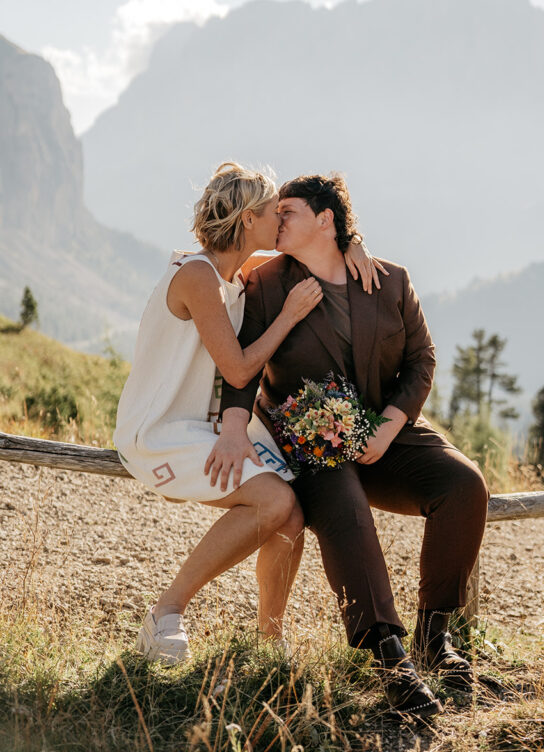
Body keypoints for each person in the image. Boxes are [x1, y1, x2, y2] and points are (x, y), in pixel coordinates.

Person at [220, 174, 489, 719]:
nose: (277, 219)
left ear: (326, 221)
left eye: (288, 210)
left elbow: (422, 361)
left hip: (383, 431)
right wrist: (232, 424)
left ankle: (434, 638)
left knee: (464, 486)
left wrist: (388, 428)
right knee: (344, 508)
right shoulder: (264, 282)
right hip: (307, 443)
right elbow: (242, 366)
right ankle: (389, 657)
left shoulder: (390, 281)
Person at [114, 162, 381, 664]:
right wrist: (288, 316)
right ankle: (164, 614)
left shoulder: (239, 277)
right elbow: (237, 372)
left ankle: (268, 642)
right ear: (245, 222)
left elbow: (326, 234)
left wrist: (352, 241)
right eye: (271, 213)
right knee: (273, 502)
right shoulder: (197, 275)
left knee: (292, 512)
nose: (280, 220)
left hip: (204, 426)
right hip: (159, 431)